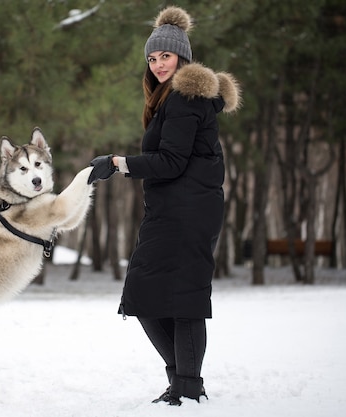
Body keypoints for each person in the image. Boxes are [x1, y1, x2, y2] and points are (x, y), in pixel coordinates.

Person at [87, 6, 241, 406]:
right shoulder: (172, 99)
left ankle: (186, 387)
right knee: (147, 294)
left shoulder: (187, 97)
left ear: (183, 57)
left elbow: (171, 161)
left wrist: (119, 164)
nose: (157, 64)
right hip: (175, 210)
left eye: (165, 57)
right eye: (152, 58)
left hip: (187, 212)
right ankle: (183, 383)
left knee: (182, 298)